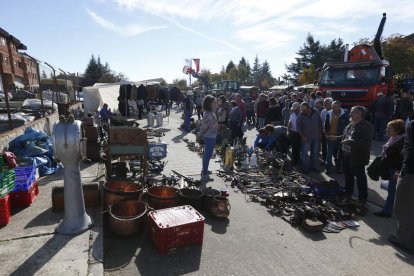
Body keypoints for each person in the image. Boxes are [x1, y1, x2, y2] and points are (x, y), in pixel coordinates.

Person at [388, 119, 414, 254]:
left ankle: (405, 241)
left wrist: (402, 169)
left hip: (410, 173)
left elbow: (410, 151)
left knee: (403, 207)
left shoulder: (412, 125)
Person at [340, 106, 374, 205]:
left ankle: (362, 199)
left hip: (357, 157)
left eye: (352, 112)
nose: (350, 114)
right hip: (346, 155)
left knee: (360, 179)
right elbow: (345, 137)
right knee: (348, 177)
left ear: (359, 114)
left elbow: (365, 143)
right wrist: (337, 138)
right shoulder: (351, 124)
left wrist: (350, 142)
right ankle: (348, 195)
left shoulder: (366, 126)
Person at [373, 119, 405, 217]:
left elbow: (403, 158)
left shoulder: (402, 141)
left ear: (397, 130)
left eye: (389, 128)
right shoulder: (394, 138)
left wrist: (398, 170)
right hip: (391, 168)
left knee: (392, 192)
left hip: (395, 170)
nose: (386, 130)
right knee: (392, 191)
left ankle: (387, 212)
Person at [296, 102, 323, 173]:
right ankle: (305, 168)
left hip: (316, 136)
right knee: (304, 154)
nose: (303, 112)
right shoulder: (301, 115)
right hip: (306, 138)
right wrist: (302, 136)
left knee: (314, 153)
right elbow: (298, 127)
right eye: (302, 110)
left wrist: (320, 132)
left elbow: (320, 122)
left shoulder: (316, 112)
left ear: (309, 108)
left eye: (304, 110)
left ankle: (313, 167)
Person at [324, 101, 349, 174]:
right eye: (332, 107)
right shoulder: (328, 113)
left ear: (339, 107)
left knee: (339, 154)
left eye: (335, 107)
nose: (333, 108)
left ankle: (338, 168)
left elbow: (347, 127)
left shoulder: (345, 114)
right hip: (330, 137)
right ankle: (328, 168)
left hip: (340, 138)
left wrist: (342, 137)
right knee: (329, 154)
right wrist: (327, 134)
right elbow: (325, 125)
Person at [198, 95, 218, 181]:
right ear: (209, 104)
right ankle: (204, 174)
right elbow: (204, 126)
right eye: (214, 102)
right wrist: (199, 135)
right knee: (207, 155)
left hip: (211, 136)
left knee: (207, 155)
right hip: (209, 136)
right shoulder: (209, 114)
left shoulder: (210, 112)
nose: (216, 104)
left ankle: (204, 170)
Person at [287, 102, 301, 167]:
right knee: (294, 147)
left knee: (299, 148)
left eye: (295, 109)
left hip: (301, 133)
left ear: (299, 108)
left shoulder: (302, 114)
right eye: (294, 109)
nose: (294, 110)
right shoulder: (292, 114)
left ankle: (298, 161)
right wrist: (288, 131)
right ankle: (294, 161)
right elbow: (289, 123)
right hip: (294, 132)